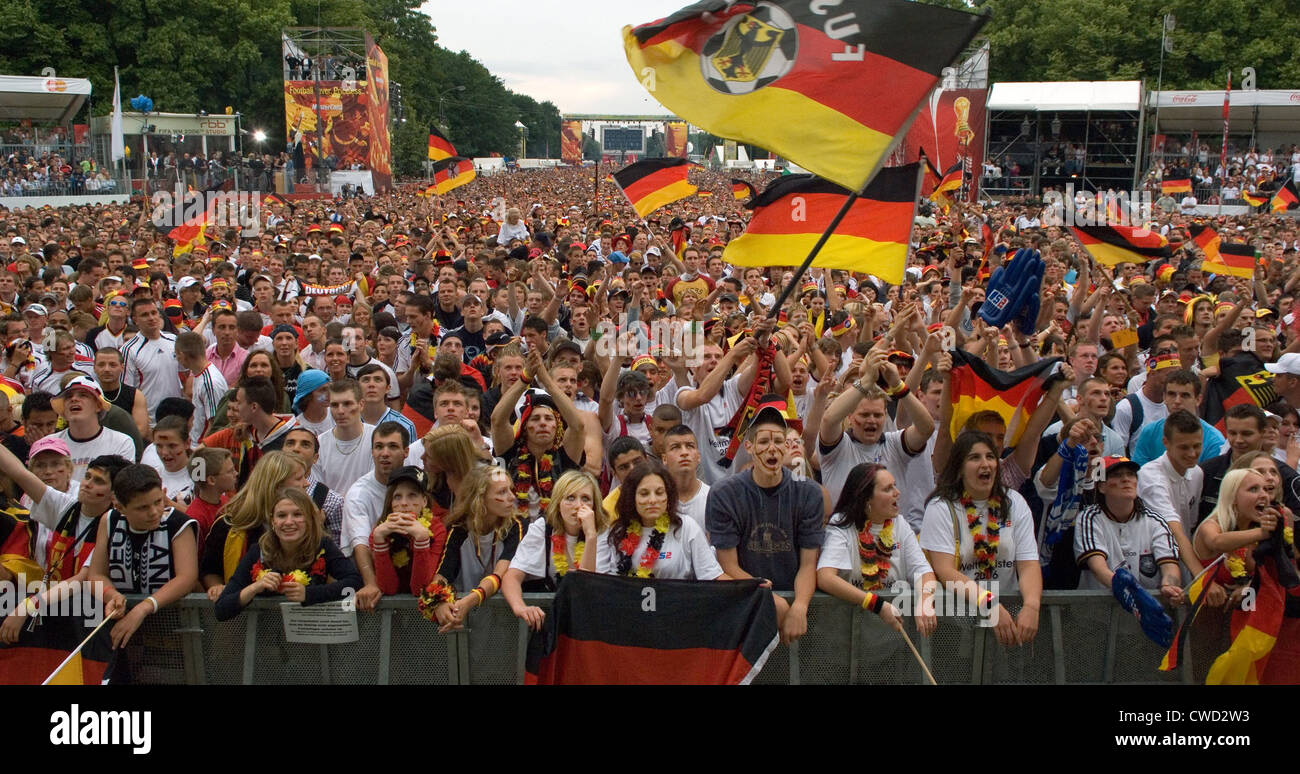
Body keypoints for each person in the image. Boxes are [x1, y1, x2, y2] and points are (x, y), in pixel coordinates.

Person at [708, 396, 822, 643]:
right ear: (749, 447)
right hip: (748, 603)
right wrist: (766, 596)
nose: (772, 448)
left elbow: (808, 563)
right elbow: (728, 565)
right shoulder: (724, 494)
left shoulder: (809, 492)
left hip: (797, 599)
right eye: (764, 441)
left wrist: (800, 606)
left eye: (779, 441)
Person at [919, 430, 1042, 647]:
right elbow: (945, 571)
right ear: (959, 467)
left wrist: (1032, 606)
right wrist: (989, 604)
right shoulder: (941, 507)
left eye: (990, 456)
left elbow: (1028, 563)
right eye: (974, 458)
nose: (985, 464)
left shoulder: (1015, 502)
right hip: (954, 627)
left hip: (1007, 624)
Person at [817, 463, 938, 635]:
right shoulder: (842, 525)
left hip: (890, 645)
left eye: (895, 485)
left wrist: (925, 600)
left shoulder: (899, 524)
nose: (897, 492)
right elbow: (825, 578)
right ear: (866, 499)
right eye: (888, 489)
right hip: (843, 643)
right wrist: (876, 604)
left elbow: (923, 570)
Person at [89, 464, 198, 650]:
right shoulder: (109, 521)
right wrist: (112, 595)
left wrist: (143, 608)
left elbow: (187, 577)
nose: (154, 512)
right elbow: (96, 574)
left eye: (158, 502)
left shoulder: (178, 524)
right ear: (120, 507)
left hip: (174, 630)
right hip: (122, 631)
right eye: (142, 507)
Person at [214, 487, 361, 621]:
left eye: (297, 514)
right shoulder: (259, 551)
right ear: (273, 521)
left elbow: (354, 583)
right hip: (266, 641)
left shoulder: (322, 546)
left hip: (313, 636)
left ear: (309, 519)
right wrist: (255, 587)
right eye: (282, 516)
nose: (289, 522)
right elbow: (221, 609)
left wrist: (309, 594)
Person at [503, 470, 607, 630]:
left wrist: (590, 536)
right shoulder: (542, 528)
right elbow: (512, 577)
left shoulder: (601, 533)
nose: (578, 505)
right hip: (551, 622)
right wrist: (521, 608)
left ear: (595, 505)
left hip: (589, 624)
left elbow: (585, 587)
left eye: (585, 498)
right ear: (558, 503)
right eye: (570, 498)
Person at [490, 349, 586, 523]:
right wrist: (525, 377)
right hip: (514, 535)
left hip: (554, 535)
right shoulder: (511, 453)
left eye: (549, 419)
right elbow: (497, 420)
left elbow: (578, 426)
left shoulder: (565, 456)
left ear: (557, 427)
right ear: (525, 427)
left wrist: (546, 380)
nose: (542, 423)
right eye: (535, 419)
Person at [427, 465, 525, 632]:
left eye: (511, 490)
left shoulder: (514, 527)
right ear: (480, 497)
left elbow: (500, 574)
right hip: (464, 618)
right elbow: (441, 575)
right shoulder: (458, 530)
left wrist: (469, 601)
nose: (511, 497)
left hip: (502, 620)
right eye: (502, 492)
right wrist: (439, 602)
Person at [1074, 455, 1184, 602]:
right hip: (1099, 611)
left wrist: (1170, 586)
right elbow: (1099, 569)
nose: (1126, 479)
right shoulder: (1089, 519)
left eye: (1131, 474)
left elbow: (1169, 565)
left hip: (1145, 613)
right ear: (1101, 486)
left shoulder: (1155, 521)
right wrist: (1136, 596)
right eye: (1116, 475)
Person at [200, 451, 309, 598]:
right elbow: (210, 569)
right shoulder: (228, 526)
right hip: (241, 615)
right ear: (276, 485)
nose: (306, 483)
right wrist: (217, 588)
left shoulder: (308, 521)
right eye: (299, 478)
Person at [342, 421, 410, 611]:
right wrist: (371, 583)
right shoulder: (358, 493)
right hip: (373, 581)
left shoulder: (417, 483)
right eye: (379, 447)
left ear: (406, 452)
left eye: (392, 446)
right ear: (372, 452)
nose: (384, 453)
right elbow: (360, 543)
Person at [369, 466, 447, 597]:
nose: (404, 503)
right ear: (390, 503)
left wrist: (421, 538)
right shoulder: (379, 532)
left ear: (424, 501)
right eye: (397, 497)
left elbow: (420, 589)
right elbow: (388, 588)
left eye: (412, 495)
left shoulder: (436, 529)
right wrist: (379, 540)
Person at [51, 374, 136, 479]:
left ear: (98, 405)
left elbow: (121, 488)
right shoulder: (50, 444)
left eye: (83, 395)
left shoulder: (121, 442)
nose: (74, 399)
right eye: (68, 396)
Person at [120, 297, 181, 425]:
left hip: (177, 418)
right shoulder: (129, 349)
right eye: (145, 315)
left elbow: (185, 375)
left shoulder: (173, 340)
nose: (151, 318)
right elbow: (127, 390)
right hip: (150, 422)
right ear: (135, 320)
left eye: (153, 313)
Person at [281, 426, 345, 545]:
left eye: (305, 445)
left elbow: (338, 551)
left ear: (315, 458)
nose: (296, 449)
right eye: (290, 443)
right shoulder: (264, 490)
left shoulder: (331, 501)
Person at [314, 379, 375, 495]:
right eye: (334, 405)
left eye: (347, 404)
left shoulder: (377, 438)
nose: (340, 411)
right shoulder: (319, 444)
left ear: (361, 404)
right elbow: (318, 492)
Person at [174, 331, 228, 446]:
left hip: (201, 447)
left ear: (182, 355)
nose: (177, 359)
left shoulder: (209, 383)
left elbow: (215, 424)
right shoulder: (199, 375)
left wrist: (201, 450)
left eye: (176, 355)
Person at [93, 346, 149, 438]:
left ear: (122, 367)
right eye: (101, 365)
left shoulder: (135, 395)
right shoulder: (89, 394)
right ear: (94, 368)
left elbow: (141, 430)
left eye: (112, 365)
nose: (107, 369)